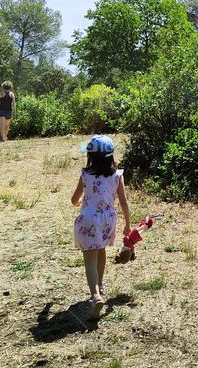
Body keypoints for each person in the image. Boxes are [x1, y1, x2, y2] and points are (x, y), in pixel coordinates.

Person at [70, 135, 131, 319]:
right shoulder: (117, 175)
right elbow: (123, 202)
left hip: (89, 220)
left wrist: (79, 201)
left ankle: (95, 296)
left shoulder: (86, 175)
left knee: (89, 260)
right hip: (107, 221)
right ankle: (101, 284)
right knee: (101, 250)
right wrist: (128, 224)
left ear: (90, 156)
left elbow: (74, 200)